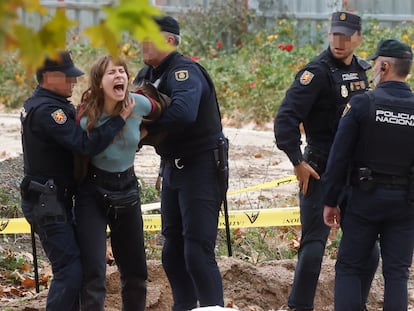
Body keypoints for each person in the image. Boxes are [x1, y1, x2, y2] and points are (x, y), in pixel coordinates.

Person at [274, 12, 379, 311]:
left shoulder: (361, 70)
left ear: (358, 38)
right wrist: (297, 161)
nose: (339, 41)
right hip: (319, 169)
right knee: (313, 247)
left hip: (353, 172)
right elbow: (285, 119)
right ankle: (299, 306)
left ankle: (355, 304)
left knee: (369, 250)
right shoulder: (316, 73)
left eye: (346, 36)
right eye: (335, 35)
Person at [20, 51, 133, 310]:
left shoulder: (42, 103)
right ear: (49, 77)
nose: (73, 82)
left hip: (53, 199)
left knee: (75, 269)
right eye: (68, 77)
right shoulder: (48, 111)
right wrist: (119, 120)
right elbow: (84, 145)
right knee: (69, 271)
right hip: (48, 202)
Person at [133, 15, 227, 311]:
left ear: (170, 41)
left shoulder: (185, 72)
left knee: (197, 252)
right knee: (172, 251)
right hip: (173, 167)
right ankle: (184, 307)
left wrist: (147, 131)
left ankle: (212, 308)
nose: (143, 42)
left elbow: (185, 114)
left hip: (201, 166)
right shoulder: (147, 73)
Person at [323, 39, 414, 310]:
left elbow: (338, 157)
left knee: (350, 267)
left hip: (365, 200)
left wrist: (331, 200)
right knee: (397, 274)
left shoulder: (363, 104)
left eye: (375, 64)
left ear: (384, 66)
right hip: (406, 204)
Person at [74, 55, 167, 310]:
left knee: (136, 272)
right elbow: (84, 148)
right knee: (94, 273)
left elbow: (164, 111)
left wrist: (146, 135)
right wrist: (120, 121)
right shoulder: (86, 115)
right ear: (98, 82)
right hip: (92, 192)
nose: (119, 76)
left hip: (127, 189)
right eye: (111, 73)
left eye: (122, 72)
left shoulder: (137, 103)